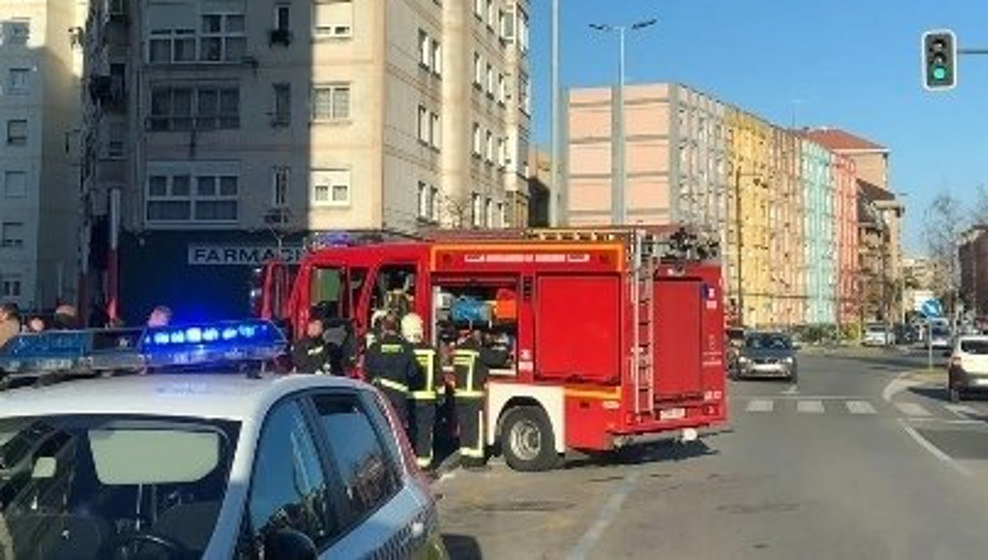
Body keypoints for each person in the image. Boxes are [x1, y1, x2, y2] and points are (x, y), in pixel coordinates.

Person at [452, 328, 510, 466]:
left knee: (465, 428)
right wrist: (503, 345)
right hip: (473, 396)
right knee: (475, 429)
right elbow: (497, 359)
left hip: (460, 395)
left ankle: (465, 458)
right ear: (478, 337)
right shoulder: (477, 350)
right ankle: (475, 461)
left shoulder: (458, 350)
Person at [364, 313, 421, 435]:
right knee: (398, 432)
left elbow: (367, 373)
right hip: (400, 397)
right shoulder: (407, 347)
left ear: (383, 327)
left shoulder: (374, 347)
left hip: (380, 394)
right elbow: (414, 373)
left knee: (382, 431)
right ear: (399, 328)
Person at [401, 312, 442, 468]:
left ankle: (411, 461)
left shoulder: (404, 350)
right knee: (426, 431)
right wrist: (441, 395)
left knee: (411, 430)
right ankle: (424, 463)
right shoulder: (431, 350)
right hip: (428, 399)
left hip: (409, 398)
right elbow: (438, 376)